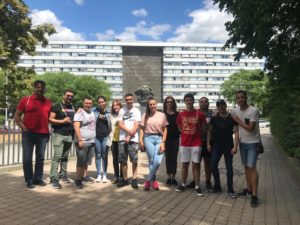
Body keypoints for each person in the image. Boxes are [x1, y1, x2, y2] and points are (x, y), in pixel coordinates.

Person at [14, 80, 52, 188]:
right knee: (27, 158)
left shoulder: (48, 102)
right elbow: (17, 116)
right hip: (29, 134)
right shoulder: (26, 100)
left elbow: (49, 118)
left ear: (44, 88)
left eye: (42, 87)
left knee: (40, 158)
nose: (40, 89)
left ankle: (38, 178)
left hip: (43, 134)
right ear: (34, 88)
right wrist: (24, 129)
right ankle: (29, 180)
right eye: (37, 87)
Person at [232, 90, 260, 207]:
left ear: (246, 98)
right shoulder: (235, 111)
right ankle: (248, 189)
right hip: (242, 143)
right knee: (246, 167)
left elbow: (250, 128)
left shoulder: (253, 110)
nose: (240, 100)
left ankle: (254, 195)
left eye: (242, 97)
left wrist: (238, 120)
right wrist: (236, 145)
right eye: (238, 98)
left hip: (253, 143)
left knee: (252, 167)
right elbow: (236, 130)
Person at [175, 93, 207, 196]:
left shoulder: (199, 114)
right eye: (187, 100)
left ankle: (197, 186)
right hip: (184, 143)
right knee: (184, 164)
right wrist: (186, 133)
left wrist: (196, 134)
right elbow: (179, 127)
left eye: (190, 100)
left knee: (196, 165)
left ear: (193, 101)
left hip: (196, 143)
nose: (189, 102)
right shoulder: (181, 114)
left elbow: (204, 128)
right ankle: (183, 184)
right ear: (184, 101)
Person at [207, 99, 239, 198]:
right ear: (217, 107)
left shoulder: (232, 118)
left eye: (222, 105)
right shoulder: (214, 118)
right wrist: (208, 143)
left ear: (225, 106)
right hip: (216, 145)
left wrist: (236, 146)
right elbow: (209, 131)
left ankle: (230, 189)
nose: (221, 107)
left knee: (229, 167)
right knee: (213, 165)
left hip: (228, 146)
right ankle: (217, 186)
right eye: (219, 106)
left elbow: (237, 132)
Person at [140, 97, 168, 191]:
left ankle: (148, 180)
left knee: (158, 161)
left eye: (154, 104)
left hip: (159, 138)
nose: (152, 106)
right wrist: (141, 140)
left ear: (156, 104)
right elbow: (141, 128)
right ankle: (154, 181)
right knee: (151, 160)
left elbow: (165, 129)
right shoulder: (145, 115)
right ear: (148, 106)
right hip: (148, 138)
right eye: (150, 104)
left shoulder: (162, 115)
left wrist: (163, 142)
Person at [49, 90, 75, 189]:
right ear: (63, 96)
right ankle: (53, 179)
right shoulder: (57, 106)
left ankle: (63, 175)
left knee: (65, 157)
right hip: (59, 135)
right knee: (57, 156)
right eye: (68, 96)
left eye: (71, 96)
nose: (70, 97)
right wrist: (62, 121)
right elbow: (50, 119)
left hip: (69, 135)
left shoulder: (72, 107)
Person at [186, 97, 214, 192]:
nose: (204, 103)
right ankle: (195, 180)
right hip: (196, 141)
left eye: (206, 101)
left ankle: (208, 181)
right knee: (195, 162)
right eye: (201, 102)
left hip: (209, 141)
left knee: (208, 162)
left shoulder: (213, 114)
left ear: (208, 103)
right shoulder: (195, 113)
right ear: (199, 103)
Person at [117, 93, 141, 189]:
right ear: (125, 100)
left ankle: (134, 179)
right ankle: (125, 179)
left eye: (130, 99)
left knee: (134, 160)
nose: (129, 101)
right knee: (123, 160)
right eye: (127, 100)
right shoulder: (122, 110)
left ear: (133, 99)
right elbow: (120, 124)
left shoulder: (136, 111)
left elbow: (136, 125)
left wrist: (129, 136)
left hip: (133, 140)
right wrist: (128, 133)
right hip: (122, 139)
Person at [73, 97, 96, 189]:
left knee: (86, 161)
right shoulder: (79, 113)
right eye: (86, 103)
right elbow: (76, 126)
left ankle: (84, 176)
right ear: (83, 103)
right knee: (81, 161)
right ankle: (78, 180)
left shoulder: (92, 112)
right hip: (83, 141)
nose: (88, 105)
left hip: (91, 141)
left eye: (90, 103)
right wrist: (80, 140)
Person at [93, 96, 111, 183]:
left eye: (102, 102)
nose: (101, 103)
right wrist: (79, 109)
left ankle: (104, 175)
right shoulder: (94, 110)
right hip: (96, 137)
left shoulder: (109, 112)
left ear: (105, 102)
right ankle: (98, 175)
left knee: (104, 156)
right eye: (99, 102)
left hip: (105, 137)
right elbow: (85, 109)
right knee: (98, 156)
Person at [163, 96, 180, 186]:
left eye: (171, 102)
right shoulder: (163, 114)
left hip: (175, 139)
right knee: (167, 158)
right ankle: (169, 177)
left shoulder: (178, 114)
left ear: (173, 103)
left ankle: (173, 177)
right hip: (165, 139)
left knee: (174, 158)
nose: (169, 103)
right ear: (165, 104)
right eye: (167, 102)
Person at [109, 99, 123, 184]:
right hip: (113, 140)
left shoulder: (124, 114)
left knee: (122, 159)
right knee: (115, 159)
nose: (115, 107)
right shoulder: (111, 115)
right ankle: (116, 176)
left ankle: (122, 176)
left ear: (120, 106)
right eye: (114, 105)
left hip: (121, 140)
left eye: (117, 105)